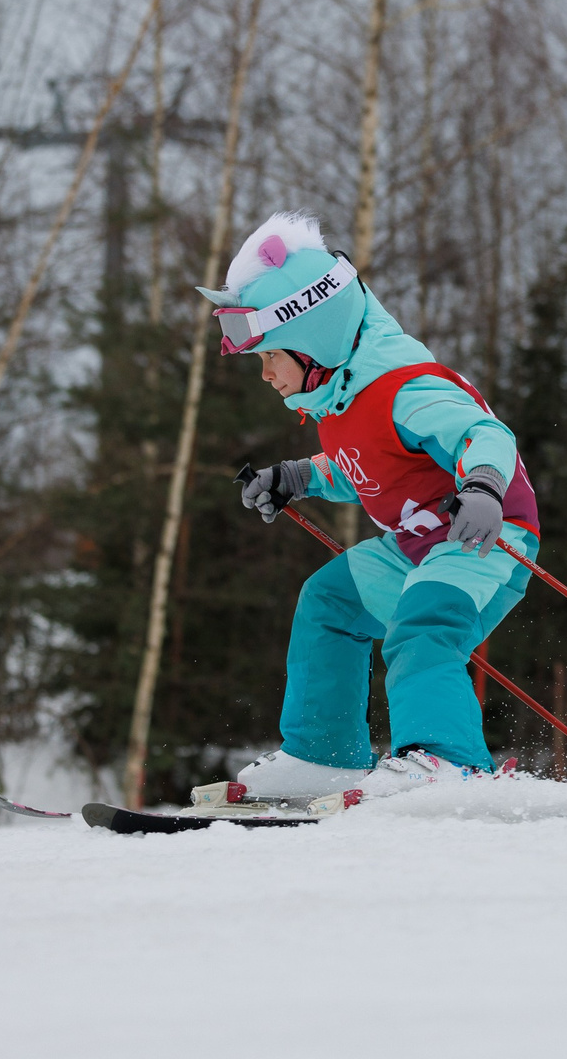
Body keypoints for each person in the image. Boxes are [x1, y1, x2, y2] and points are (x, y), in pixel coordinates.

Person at [198, 211, 540, 801]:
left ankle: (448, 763)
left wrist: (483, 487)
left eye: (270, 355)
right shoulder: (341, 397)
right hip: (415, 541)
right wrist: (299, 476)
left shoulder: (402, 385)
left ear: (313, 341)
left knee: (422, 626)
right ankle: (321, 757)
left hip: (483, 537)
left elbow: (485, 436)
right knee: (328, 601)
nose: (266, 374)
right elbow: (368, 469)